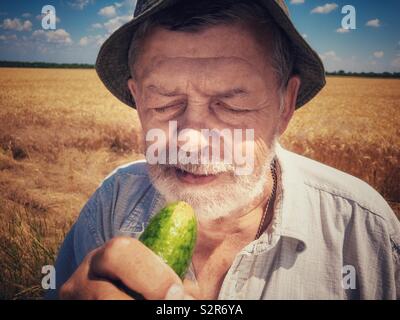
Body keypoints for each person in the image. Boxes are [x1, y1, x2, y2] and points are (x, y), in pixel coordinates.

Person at [48, 0, 400, 300]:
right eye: (165, 102)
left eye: (232, 105)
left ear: (285, 104)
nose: (191, 141)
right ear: (139, 101)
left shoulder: (364, 232)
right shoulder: (110, 206)